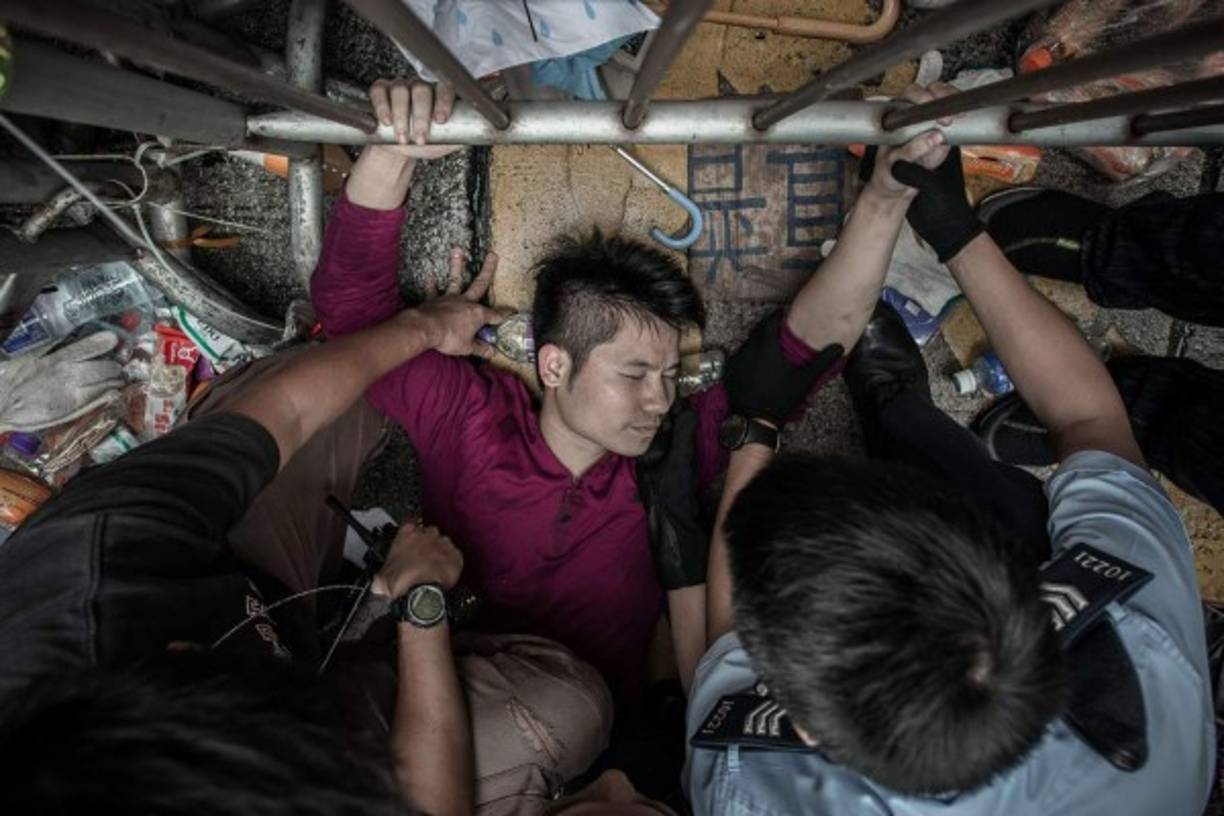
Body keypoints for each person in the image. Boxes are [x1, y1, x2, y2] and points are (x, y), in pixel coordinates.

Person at [682, 86, 1216, 815]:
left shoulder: (755, 793)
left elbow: (723, 639)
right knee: (954, 458)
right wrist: (956, 231)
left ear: (803, 726)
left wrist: (754, 431)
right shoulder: (1143, 652)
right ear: (1020, 591)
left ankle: (900, 414)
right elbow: (1093, 420)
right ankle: (905, 414)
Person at [0, 250, 611, 814]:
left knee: (362, 378)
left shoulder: (100, 558)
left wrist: (426, 325)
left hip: (232, 562)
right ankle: (363, 654)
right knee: (570, 711)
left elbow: (287, 413)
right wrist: (421, 610)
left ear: (174, 657)